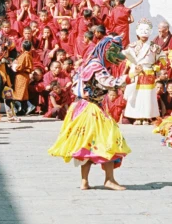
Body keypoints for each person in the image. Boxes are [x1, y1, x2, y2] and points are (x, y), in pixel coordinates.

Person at [48, 36, 138, 190]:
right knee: (109, 140)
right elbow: (108, 82)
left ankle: (84, 181)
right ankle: (109, 179)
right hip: (91, 109)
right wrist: (130, 76)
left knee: (88, 144)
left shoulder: (87, 64)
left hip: (81, 107)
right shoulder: (97, 66)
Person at [121, 19, 164, 125]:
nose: (144, 33)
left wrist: (156, 68)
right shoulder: (132, 46)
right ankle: (137, 117)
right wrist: (131, 69)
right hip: (136, 72)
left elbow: (163, 59)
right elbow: (127, 61)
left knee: (147, 96)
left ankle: (146, 117)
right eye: (141, 30)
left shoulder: (155, 47)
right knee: (136, 95)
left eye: (146, 30)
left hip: (148, 72)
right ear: (137, 31)